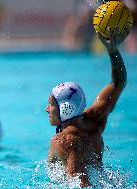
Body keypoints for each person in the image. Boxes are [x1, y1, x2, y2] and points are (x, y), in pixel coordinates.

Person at [45, 26, 130, 187]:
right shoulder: (95, 118)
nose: (47, 109)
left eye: (51, 105)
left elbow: (81, 184)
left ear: (65, 108)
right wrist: (113, 51)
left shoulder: (65, 141)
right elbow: (119, 82)